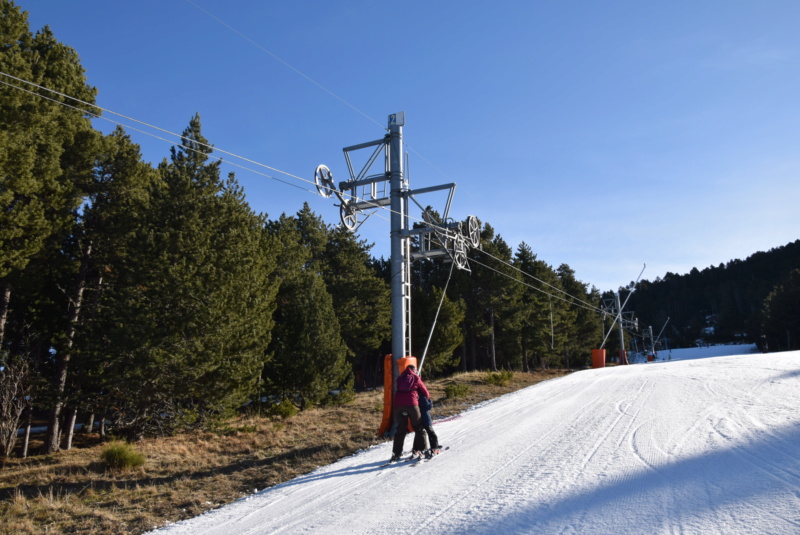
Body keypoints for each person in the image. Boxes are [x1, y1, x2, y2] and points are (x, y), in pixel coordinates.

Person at [390, 364, 430, 462]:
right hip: (412, 405)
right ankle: (422, 451)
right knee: (419, 428)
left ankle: (396, 453)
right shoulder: (416, 377)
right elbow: (425, 391)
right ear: (414, 370)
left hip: (398, 406)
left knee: (400, 430)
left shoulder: (400, 378)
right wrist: (427, 400)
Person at [414, 395, 442, 459]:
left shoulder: (414, 397)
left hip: (417, 418)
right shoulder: (423, 396)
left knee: (419, 434)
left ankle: (416, 450)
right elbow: (429, 406)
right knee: (431, 433)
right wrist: (430, 400)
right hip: (425, 418)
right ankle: (434, 449)